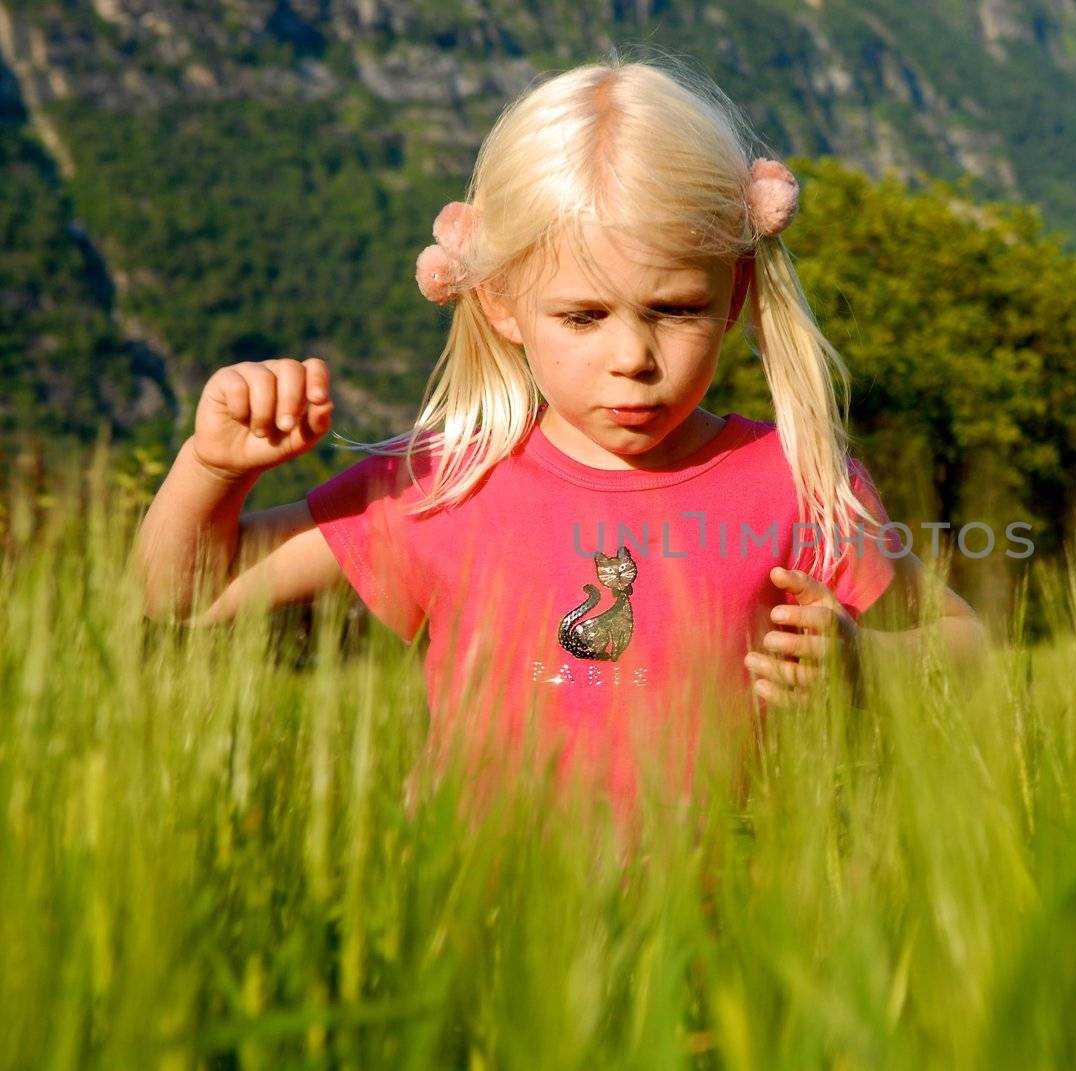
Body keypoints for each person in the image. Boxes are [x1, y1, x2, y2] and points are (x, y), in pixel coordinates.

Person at [134, 59, 987, 816]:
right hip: (485, 934)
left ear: (734, 296)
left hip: (724, 950)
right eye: (582, 315)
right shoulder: (441, 483)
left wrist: (867, 664)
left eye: (676, 309)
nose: (632, 358)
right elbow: (188, 594)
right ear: (501, 302)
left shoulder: (793, 477)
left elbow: (965, 645)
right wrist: (210, 471)